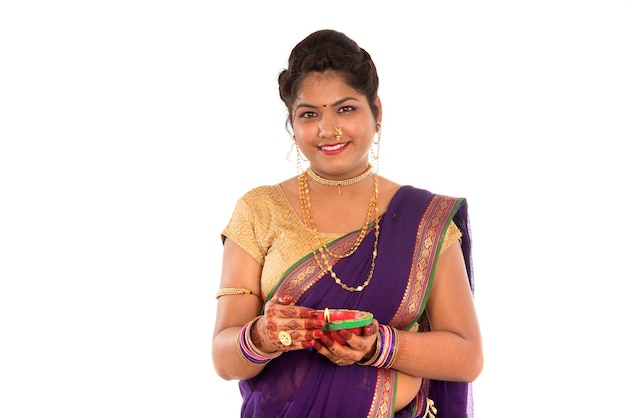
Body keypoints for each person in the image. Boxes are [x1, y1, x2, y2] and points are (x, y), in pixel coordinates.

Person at [212, 29, 483, 418]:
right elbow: (224, 357)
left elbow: (466, 355)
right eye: (309, 114)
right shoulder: (259, 210)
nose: (328, 130)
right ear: (292, 122)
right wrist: (264, 336)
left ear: (377, 111)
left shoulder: (424, 219)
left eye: (346, 109)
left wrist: (379, 347)